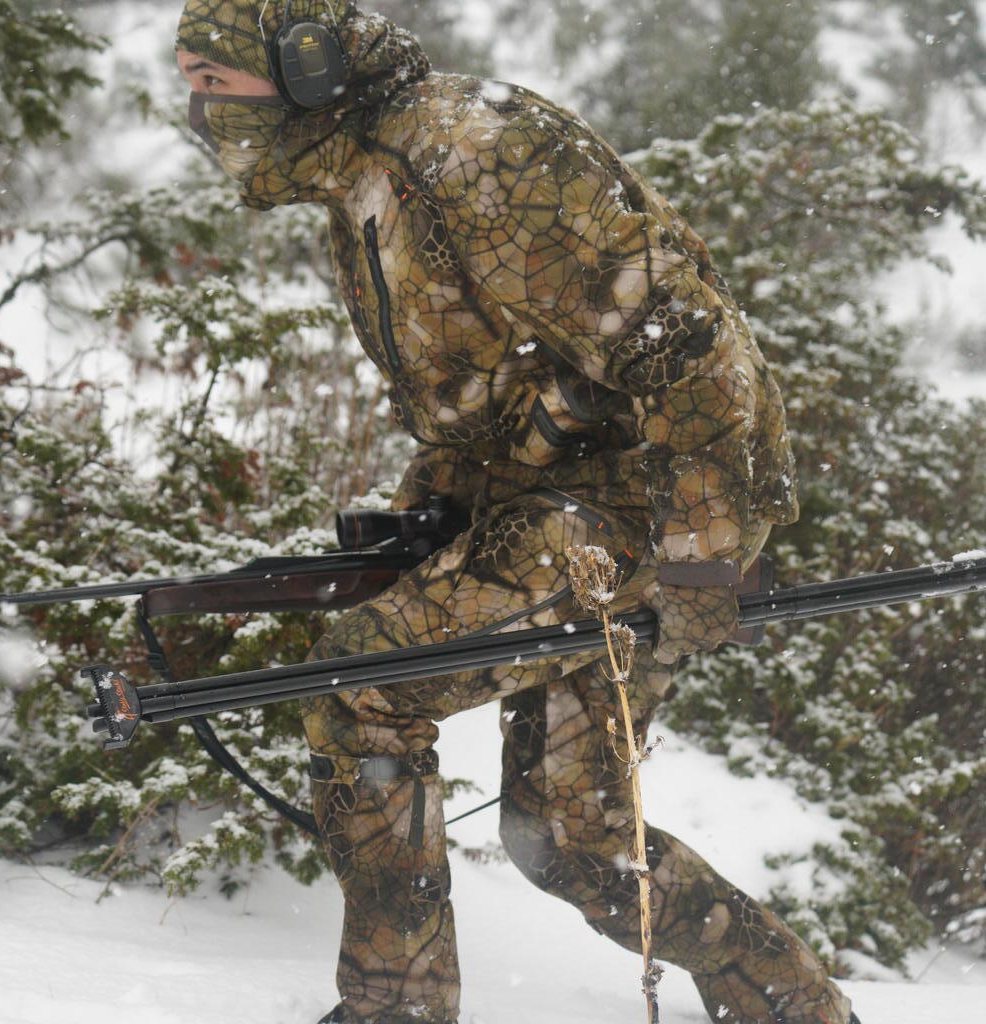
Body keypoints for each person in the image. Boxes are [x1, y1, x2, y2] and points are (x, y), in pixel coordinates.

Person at [175, 3, 860, 1023]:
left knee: (364, 690)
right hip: (562, 493)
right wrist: (444, 499)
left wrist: (703, 554)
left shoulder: (471, 154)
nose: (199, 110)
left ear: (306, 74)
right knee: (568, 841)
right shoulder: (365, 177)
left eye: (216, 83)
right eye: (189, 82)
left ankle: (394, 1008)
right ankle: (793, 1004)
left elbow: (685, 342)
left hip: (645, 496)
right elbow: (497, 381)